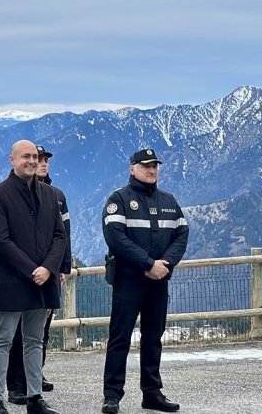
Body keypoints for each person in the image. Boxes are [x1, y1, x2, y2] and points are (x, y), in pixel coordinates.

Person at [101, 149, 189, 414]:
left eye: (155, 166)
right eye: (145, 166)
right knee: (120, 338)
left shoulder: (169, 201)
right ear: (132, 169)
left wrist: (164, 265)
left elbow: (182, 234)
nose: (151, 170)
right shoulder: (119, 200)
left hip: (158, 281)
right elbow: (116, 238)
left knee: (153, 337)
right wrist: (148, 264)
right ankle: (112, 395)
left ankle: (152, 393)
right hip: (129, 282)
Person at [0, 141, 67, 414]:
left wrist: (49, 268)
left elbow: (59, 235)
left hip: (44, 279)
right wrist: (33, 270)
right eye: (26, 157)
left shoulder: (50, 193)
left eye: (35, 156)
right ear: (12, 159)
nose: (32, 161)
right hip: (12, 279)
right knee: (4, 339)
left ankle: (35, 399)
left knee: (34, 340)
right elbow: (2, 241)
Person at [5, 145, 72, 404]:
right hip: (23, 273)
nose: (42, 163)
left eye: (44, 160)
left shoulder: (56, 195)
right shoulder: (13, 193)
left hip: (50, 271)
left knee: (41, 331)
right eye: (37, 159)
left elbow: (64, 234)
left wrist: (61, 267)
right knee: (19, 332)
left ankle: (36, 374)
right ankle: (16, 383)